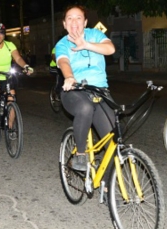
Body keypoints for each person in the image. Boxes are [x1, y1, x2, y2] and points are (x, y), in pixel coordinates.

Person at [56, 5, 115, 171]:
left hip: (100, 91)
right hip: (74, 91)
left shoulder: (94, 35)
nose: (74, 22)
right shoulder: (62, 44)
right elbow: (63, 62)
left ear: (85, 22)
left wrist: (86, 44)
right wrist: (69, 77)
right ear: (64, 24)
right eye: (70, 18)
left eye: (78, 18)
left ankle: (106, 185)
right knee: (85, 108)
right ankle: (80, 155)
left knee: (113, 141)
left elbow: (110, 48)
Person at [0, 22, 34, 119]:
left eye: (1, 32)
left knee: (12, 100)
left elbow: (18, 58)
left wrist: (26, 66)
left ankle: (11, 131)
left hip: (7, 76)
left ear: (4, 34)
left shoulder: (10, 45)